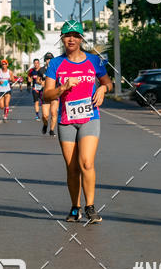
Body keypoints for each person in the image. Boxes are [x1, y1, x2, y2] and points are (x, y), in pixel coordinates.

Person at [43, 21, 112, 223]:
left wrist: (102, 89)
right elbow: (47, 95)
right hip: (66, 120)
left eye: (75, 35)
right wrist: (62, 88)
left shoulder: (94, 61)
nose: (71, 39)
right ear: (62, 39)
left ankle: (90, 207)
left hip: (90, 117)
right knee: (72, 168)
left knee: (87, 163)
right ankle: (75, 207)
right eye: (67, 35)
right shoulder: (55, 64)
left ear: (81, 38)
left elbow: (108, 82)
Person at [41, 52, 58, 136]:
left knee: (54, 112)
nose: (49, 60)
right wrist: (41, 82)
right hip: (46, 94)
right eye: (47, 59)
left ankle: (51, 130)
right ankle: (45, 124)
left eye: (51, 59)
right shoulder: (42, 70)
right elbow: (37, 80)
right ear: (45, 60)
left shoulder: (57, 69)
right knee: (45, 115)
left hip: (54, 94)